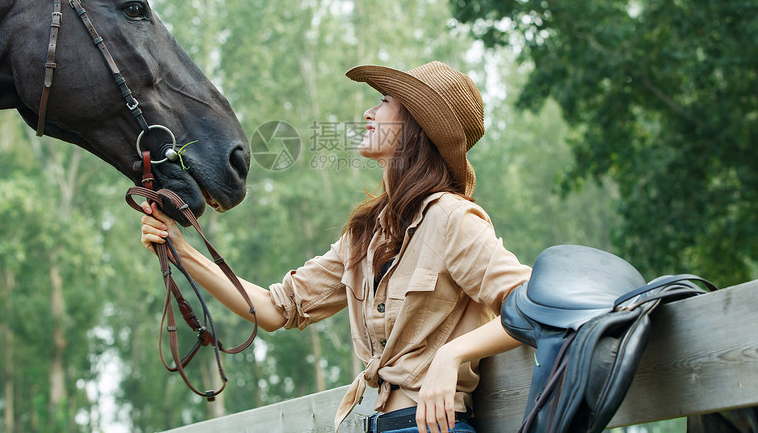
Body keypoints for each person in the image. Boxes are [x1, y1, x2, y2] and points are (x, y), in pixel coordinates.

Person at [140, 61, 532, 433]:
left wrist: (452, 355)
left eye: (383, 102)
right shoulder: (366, 234)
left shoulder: (452, 218)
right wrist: (180, 249)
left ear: (417, 127)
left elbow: (530, 305)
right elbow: (278, 309)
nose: (368, 112)